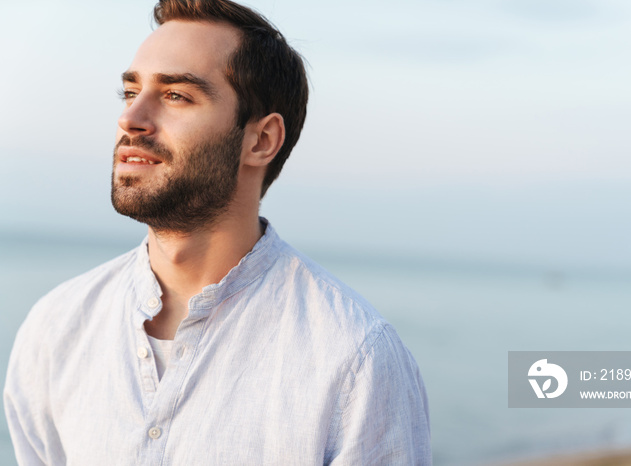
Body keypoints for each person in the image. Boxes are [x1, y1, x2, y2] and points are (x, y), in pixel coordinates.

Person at [3, 0, 431, 464]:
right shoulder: (56, 329)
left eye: (176, 96)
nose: (130, 119)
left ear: (261, 140)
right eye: (130, 93)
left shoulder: (353, 359)